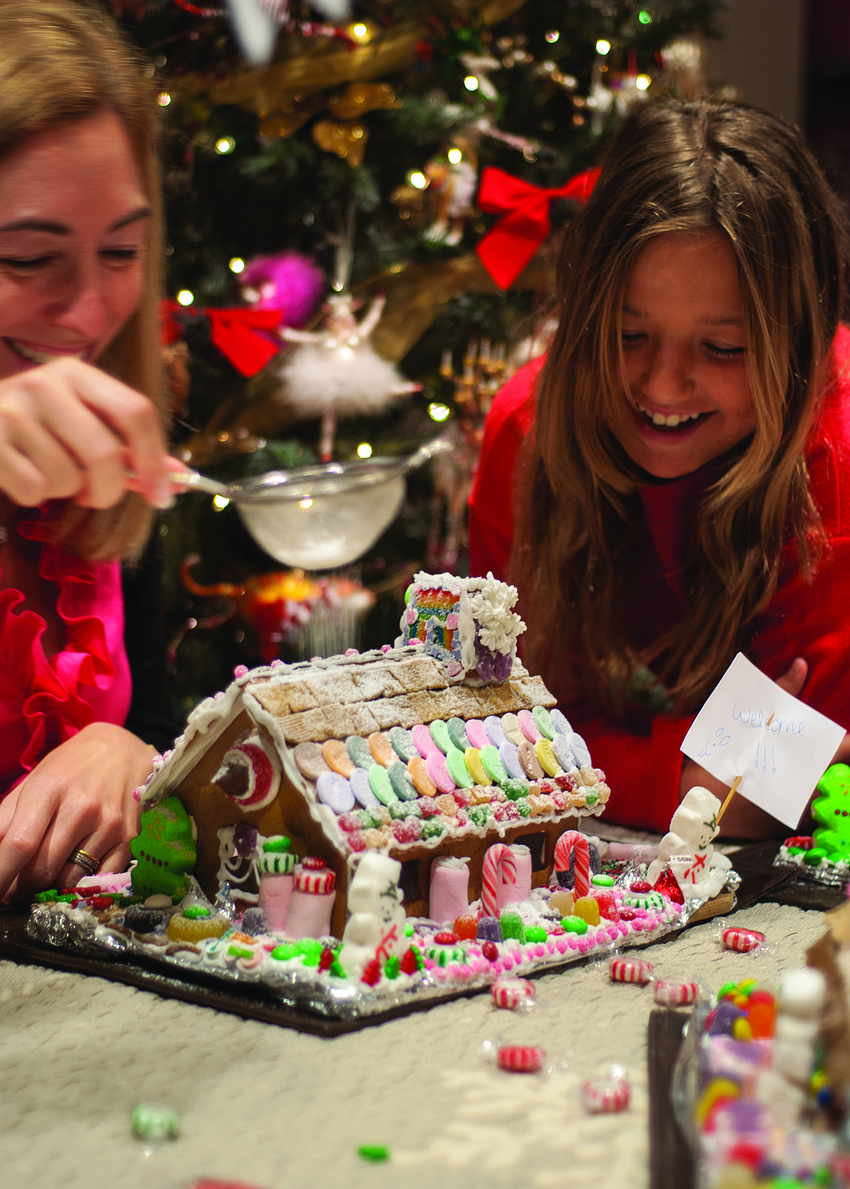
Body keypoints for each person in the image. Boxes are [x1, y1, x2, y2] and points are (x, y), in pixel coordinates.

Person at [468, 97, 850, 839]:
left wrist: (603, 759)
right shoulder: (529, 433)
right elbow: (500, 729)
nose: (663, 386)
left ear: (800, 345)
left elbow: (817, 771)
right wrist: (684, 776)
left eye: (724, 348)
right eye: (628, 332)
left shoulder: (837, 450)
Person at [0, 0, 179, 901]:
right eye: (29, 258)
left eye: (120, 251)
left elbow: (156, 724)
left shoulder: (111, 464)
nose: (87, 315)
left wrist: (133, 750)